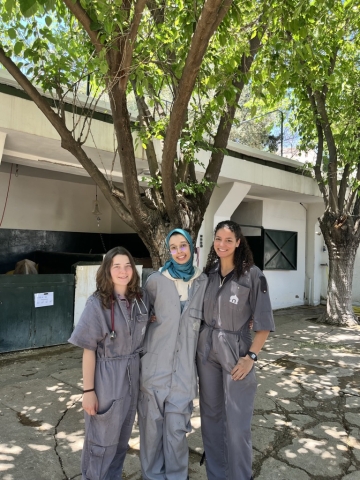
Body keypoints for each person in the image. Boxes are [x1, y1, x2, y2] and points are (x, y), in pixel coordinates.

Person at [197, 220, 275, 480]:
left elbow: (263, 323)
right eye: (218, 239)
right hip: (206, 350)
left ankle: (240, 476)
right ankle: (216, 474)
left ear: (239, 242)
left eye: (229, 240)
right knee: (210, 417)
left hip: (236, 352)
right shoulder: (207, 275)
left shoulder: (252, 275)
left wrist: (251, 357)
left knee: (237, 423)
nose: (222, 244)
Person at [68, 246, 150, 480]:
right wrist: (88, 391)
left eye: (127, 266)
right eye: (117, 266)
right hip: (106, 377)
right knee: (101, 443)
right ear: (108, 270)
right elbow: (89, 350)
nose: (123, 271)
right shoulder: (97, 304)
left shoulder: (141, 300)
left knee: (121, 441)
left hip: (132, 374)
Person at [138, 228, 208, 480]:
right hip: (154, 368)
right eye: (174, 247)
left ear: (192, 248)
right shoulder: (155, 281)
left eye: (184, 246)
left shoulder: (203, 282)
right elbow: (140, 317)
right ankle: (152, 475)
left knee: (177, 430)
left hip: (184, 372)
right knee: (151, 429)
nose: (179, 252)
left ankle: (177, 476)